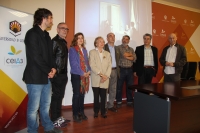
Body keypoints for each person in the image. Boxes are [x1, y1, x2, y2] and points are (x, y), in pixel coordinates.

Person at [23, 8, 62, 133]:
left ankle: (48, 127)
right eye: (50, 18)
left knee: (45, 106)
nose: (51, 21)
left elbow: (50, 56)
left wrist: (54, 69)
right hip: (35, 77)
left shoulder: (46, 35)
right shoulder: (31, 34)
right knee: (33, 109)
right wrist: (48, 70)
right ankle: (32, 131)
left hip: (46, 77)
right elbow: (35, 57)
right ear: (43, 19)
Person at [50, 22, 70, 127]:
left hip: (63, 75)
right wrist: (54, 72)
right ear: (57, 29)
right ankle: (54, 119)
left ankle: (58, 118)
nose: (65, 30)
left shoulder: (63, 42)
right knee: (56, 97)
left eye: (66, 29)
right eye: (63, 28)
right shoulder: (54, 41)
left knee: (60, 96)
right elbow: (51, 58)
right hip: (57, 75)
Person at [69, 32, 91, 123]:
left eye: (82, 38)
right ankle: (75, 114)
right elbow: (73, 64)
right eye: (78, 38)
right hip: (76, 75)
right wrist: (83, 73)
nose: (80, 39)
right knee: (77, 94)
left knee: (82, 95)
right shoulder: (72, 49)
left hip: (84, 75)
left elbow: (87, 63)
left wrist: (89, 71)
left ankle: (81, 112)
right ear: (75, 39)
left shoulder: (85, 50)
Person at [89, 36, 112, 118]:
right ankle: (96, 111)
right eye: (100, 41)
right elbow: (92, 65)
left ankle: (103, 112)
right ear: (96, 43)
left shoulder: (107, 53)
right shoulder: (92, 52)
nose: (102, 43)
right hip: (96, 77)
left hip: (105, 78)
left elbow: (109, 66)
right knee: (96, 96)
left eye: (103, 41)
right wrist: (101, 75)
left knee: (104, 96)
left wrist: (106, 76)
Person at [116, 35, 136, 108]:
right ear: (122, 40)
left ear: (129, 41)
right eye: (123, 39)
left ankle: (130, 101)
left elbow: (134, 58)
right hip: (121, 69)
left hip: (130, 70)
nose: (125, 40)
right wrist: (130, 56)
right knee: (119, 86)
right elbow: (124, 54)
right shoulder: (118, 47)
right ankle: (119, 101)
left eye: (126, 39)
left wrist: (129, 56)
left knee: (130, 87)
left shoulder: (131, 49)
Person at [104, 33, 120, 112]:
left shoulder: (117, 48)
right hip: (106, 71)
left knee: (113, 89)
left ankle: (111, 105)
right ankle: (103, 106)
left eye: (114, 36)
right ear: (107, 38)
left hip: (115, 70)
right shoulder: (104, 47)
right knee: (104, 89)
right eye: (110, 36)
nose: (112, 38)